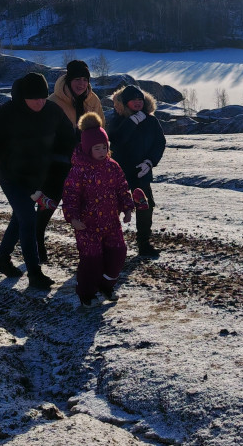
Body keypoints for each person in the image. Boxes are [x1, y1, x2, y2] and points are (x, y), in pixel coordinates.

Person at [0, 72, 74, 289]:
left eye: (43, 97)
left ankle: (2, 260)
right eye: (34, 98)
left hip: (38, 175)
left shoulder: (52, 111)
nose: (39, 102)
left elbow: (70, 137)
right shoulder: (5, 114)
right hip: (11, 176)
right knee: (28, 218)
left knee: (20, 218)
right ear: (23, 98)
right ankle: (35, 273)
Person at [62, 113, 147, 307]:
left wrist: (126, 208)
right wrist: (72, 217)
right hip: (87, 225)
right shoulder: (79, 170)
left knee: (118, 253)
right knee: (92, 260)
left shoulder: (112, 166)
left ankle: (106, 286)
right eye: (97, 148)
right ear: (87, 148)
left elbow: (122, 188)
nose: (101, 151)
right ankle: (87, 293)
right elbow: (70, 196)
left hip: (111, 222)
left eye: (104, 147)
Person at [36, 59, 106, 264]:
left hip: (84, 165)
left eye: (85, 79)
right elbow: (42, 135)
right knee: (48, 205)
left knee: (87, 209)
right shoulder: (53, 102)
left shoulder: (93, 101)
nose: (81, 83)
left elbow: (101, 131)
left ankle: (90, 251)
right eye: (77, 79)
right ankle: (36, 241)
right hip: (57, 165)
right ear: (68, 80)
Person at [107, 84, 166, 258]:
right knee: (113, 208)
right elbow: (115, 141)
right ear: (126, 102)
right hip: (120, 172)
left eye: (140, 99)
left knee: (146, 206)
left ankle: (144, 243)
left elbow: (159, 143)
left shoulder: (151, 121)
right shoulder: (117, 119)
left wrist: (150, 162)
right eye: (133, 100)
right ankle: (109, 244)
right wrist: (131, 122)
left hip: (142, 172)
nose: (138, 102)